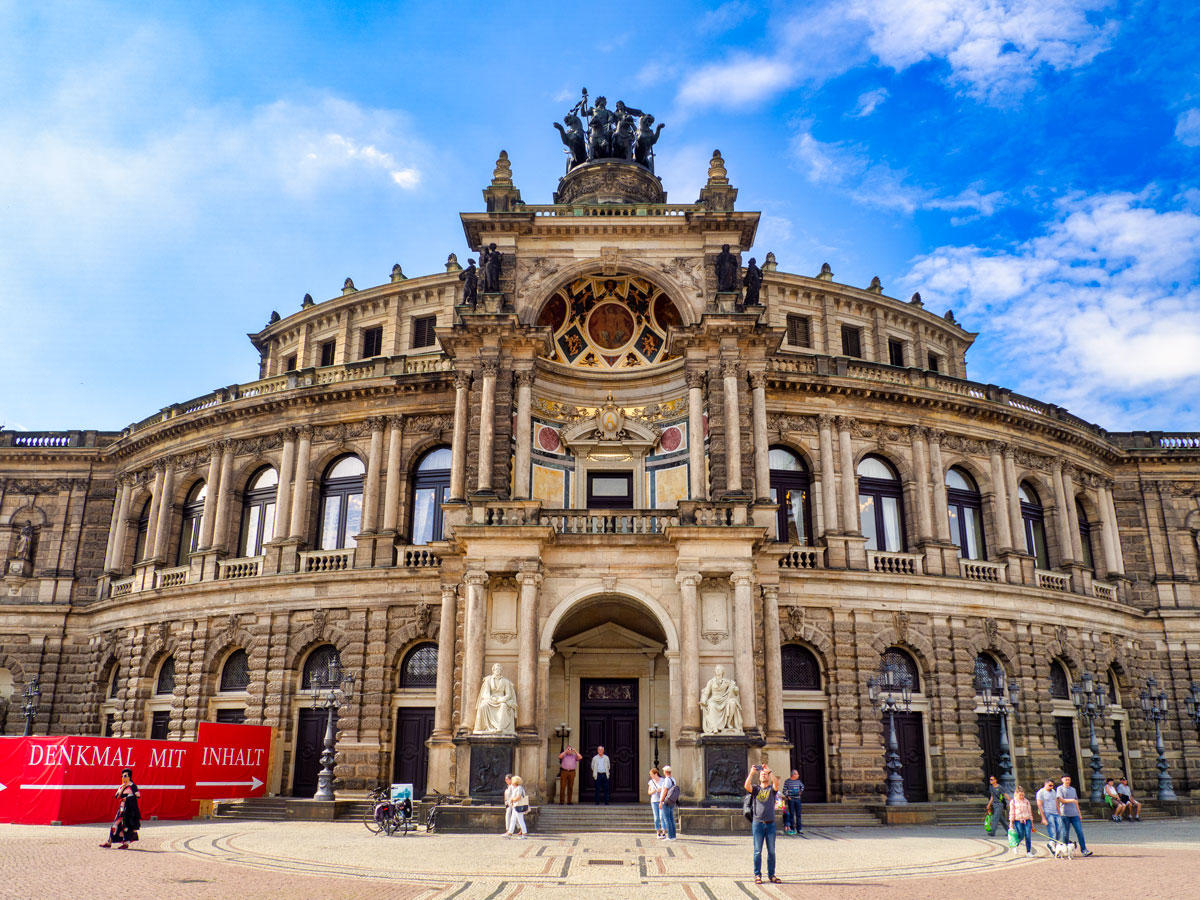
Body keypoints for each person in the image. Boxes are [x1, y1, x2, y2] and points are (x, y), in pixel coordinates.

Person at [744, 764, 782, 885]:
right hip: (758, 823)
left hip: (770, 824)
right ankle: (757, 874)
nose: (763, 775)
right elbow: (746, 786)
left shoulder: (771, 789)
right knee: (757, 851)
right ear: (759, 777)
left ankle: (771, 875)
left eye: (764, 774)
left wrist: (769, 771)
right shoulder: (755, 789)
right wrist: (752, 773)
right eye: (762, 774)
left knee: (771, 851)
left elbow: (777, 783)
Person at [99, 768, 140, 849]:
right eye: (122, 776)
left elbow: (138, 796)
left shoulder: (133, 786)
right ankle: (109, 842)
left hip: (129, 809)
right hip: (121, 808)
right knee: (115, 825)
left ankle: (126, 843)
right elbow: (117, 796)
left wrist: (128, 798)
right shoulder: (121, 786)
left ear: (129, 777)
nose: (123, 778)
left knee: (126, 826)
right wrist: (122, 789)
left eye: (125, 776)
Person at [1056, 774, 1093, 856]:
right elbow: (1061, 800)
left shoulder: (1073, 789)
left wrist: (1079, 812)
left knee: (1080, 832)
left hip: (1074, 814)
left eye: (1068, 779)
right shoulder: (1059, 789)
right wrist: (1071, 800)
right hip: (1064, 814)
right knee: (1065, 833)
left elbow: (1076, 802)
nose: (1067, 781)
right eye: (1066, 779)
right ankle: (1064, 850)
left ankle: (1084, 850)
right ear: (1062, 780)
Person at [1009, 785, 1035, 857]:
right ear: (1016, 794)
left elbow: (1030, 812)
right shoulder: (1013, 801)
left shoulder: (1026, 801)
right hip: (1018, 820)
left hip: (1027, 820)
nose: (1022, 797)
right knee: (1020, 835)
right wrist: (1011, 822)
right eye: (1020, 795)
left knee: (1028, 835)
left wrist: (1032, 823)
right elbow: (1012, 812)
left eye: (1023, 795)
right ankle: (1015, 845)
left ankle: (1028, 851)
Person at [1036, 777, 1061, 845]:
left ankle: (1055, 843)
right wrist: (1043, 818)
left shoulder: (1053, 791)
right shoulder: (1040, 792)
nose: (1052, 787)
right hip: (1048, 813)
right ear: (1045, 784)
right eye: (1050, 785)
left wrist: (1059, 813)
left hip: (1056, 813)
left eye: (1053, 785)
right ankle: (1052, 844)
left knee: (1059, 829)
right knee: (1052, 830)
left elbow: (1056, 803)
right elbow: (1039, 806)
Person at [658, 765, 678, 841]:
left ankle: (670, 836)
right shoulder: (673, 779)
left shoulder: (667, 780)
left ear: (665, 772)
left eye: (663, 771)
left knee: (667, 819)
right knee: (671, 818)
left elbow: (665, 791)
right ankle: (673, 836)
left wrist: (661, 801)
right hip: (672, 800)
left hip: (666, 801)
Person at [782, 770, 804, 835]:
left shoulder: (798, 781)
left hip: (798, 799)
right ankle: (792, 828)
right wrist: (787, 796)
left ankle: (799, 829)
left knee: (798, 814)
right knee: (791, 814)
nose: (798, 775)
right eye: (797, 774)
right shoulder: (787, 781)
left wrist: (800, 792)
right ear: (793, 775)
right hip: (791, 799)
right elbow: (784, 790)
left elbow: (802, 787)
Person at [647, 767, 664, 838]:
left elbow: (666, 789)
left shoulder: (663, 780)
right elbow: (649, 792)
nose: (650, 776)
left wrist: (661, 790)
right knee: (656, 817)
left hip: (661, 800)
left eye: (651, 774)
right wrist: (653, 791)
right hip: (654, 801)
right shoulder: (651, 782)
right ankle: (658, 832)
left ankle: (663, 832)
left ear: (655, 774)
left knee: (662, 816)